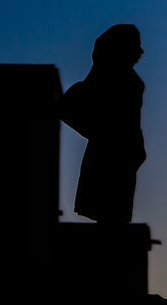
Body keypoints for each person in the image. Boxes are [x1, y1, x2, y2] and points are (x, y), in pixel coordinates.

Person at [60, 24, 146, 223]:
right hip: (108, 163)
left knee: (114, 222)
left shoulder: (132, 83)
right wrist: (104, 135)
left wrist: (134, 147)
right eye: (135, 46)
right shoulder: (112, 79)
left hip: (121, 163)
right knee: (109, 222)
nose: (140, 52)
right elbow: (68, 107)